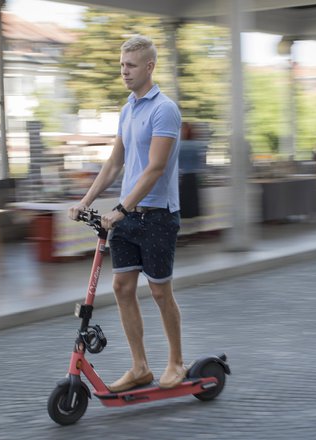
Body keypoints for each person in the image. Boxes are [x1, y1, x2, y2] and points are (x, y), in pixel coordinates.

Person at [68, 35, 185, 392]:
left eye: (130, 65)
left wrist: (120, 207)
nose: (124, 71)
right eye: (121, 65)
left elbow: (154, 168)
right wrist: (86, 201)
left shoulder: (164, 109)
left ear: (149, 66)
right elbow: (115, 163)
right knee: (121, 287)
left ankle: (176, 363)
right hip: (128, 217)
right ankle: (139, 367)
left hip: (157, 215)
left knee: (161, 292)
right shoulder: (128, 109)